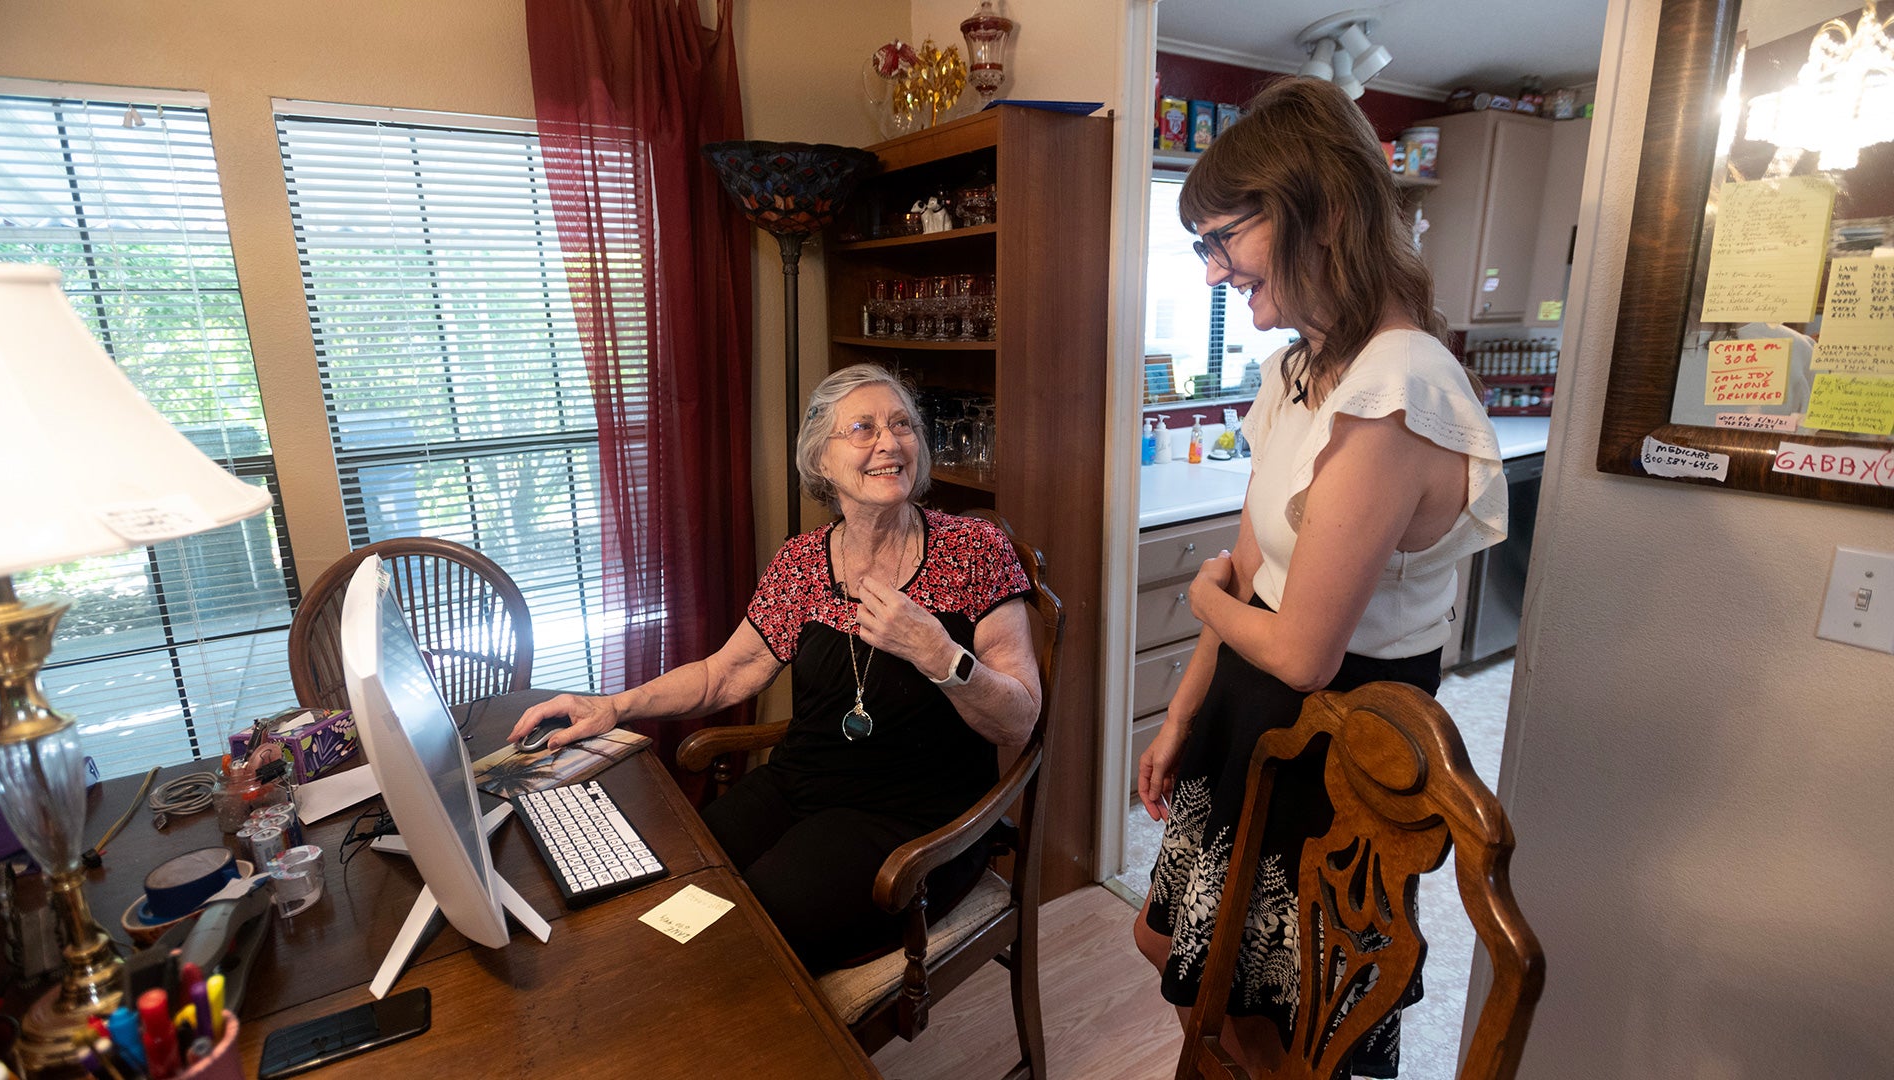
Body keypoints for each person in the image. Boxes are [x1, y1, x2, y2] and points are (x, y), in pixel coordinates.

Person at [1132, 77, 1509, 1077]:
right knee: (1175, 953)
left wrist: (1205, 597)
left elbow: (1298, 644)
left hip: (1340, 749)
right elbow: (1252, 563)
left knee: (1283, 1031)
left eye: (1224, 239)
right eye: (1202, 246)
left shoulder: (1401, 386)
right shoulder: (1307, 370)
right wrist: (1182, 713)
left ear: (1320, 208)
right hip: (1252, 719)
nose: (1213, 271)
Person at [512, 363, 1042, 972]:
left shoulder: (974, 551)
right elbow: (725, 674)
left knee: (747, 929)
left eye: (902, 426)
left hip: (916, 818)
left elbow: (1019, 721)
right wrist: (611, 706)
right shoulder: (801, 563)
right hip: (798, 786)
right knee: (677, 884)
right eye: (863, 428)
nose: (889, 443)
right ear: (821, 460)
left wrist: (939, 654)